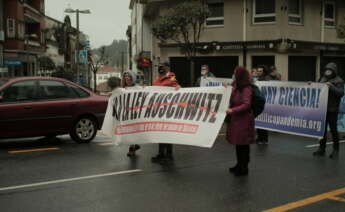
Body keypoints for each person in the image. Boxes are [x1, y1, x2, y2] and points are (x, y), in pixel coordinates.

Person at [226, 66, 255, 176]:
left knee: (243, 145)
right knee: (238, 144)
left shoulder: (246, 88)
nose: (234, 75)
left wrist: (233, 110)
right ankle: (239, 164)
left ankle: (244, 167)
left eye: (235, 73)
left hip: (244, 120)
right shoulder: (236, 85)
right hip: (237, 119)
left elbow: (246, 105)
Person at [313, 62, 344, 158]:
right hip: (322, 108)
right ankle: (321, 148)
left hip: (332, 109)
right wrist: (311, 85)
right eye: (327, 70)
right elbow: (317, 87)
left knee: (334, 130)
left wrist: (331, 86)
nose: (328, 72)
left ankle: (335, 150)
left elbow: (341, 93)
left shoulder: (339, 81)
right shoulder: (322, 78)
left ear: (334, 71)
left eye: (330, 70)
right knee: (322, 130)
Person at [151, 62, 181, 163]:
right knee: (160, 133)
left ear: (167, 68)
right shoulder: (156, 80)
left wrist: (177, 87)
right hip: (159, 111)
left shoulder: (171, 77)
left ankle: (169, 155)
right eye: (160, 67)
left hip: (168, 111)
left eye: (163, 67)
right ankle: (161, 154)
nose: (161, 69)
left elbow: (176, 84)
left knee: (167, 133)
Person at [122, 70, 141, 157]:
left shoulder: (137, 87)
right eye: (125, 76)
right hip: (127, 112)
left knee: (132, 131)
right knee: (130, 131)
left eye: (128, 76)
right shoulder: (123, 88)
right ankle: (135, 145)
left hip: (135, 112)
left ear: (132, 78)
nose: (126, 78)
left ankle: (132, 150)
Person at [255, 65, 270, 144]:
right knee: (259, 120)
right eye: (258, 71)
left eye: (260, 71)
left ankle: (264, 138)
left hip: (264, 102)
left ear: (263, 72)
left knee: (264, 121)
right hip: (258, 102)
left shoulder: (266, 79)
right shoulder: (256, 79)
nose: (259, 72)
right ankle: (260, 138)